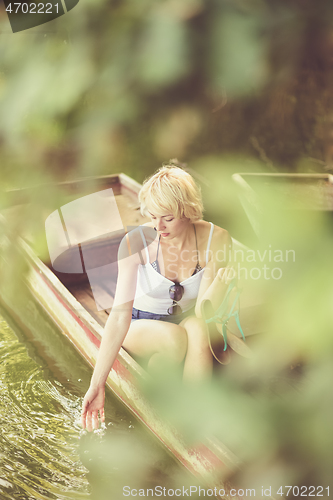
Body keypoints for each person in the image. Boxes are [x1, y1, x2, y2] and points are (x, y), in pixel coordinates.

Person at [81, 163, 231, 431]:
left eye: (168, 218)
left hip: (187, 321)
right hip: (139, 324)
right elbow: (118, 316)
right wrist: (97, 384)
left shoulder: (216, 239)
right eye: (152, 217)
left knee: (195, 328)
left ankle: (192, 418)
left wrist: (219, 288)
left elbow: (203, 314)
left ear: (187, 211)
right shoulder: (136, 243)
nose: (158, 226)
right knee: (174, 341)